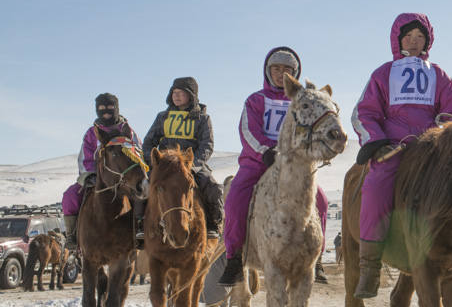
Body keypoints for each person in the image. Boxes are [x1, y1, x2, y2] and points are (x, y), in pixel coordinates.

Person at [350, 13, 452, 299]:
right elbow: (364, 112)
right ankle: (370, 265)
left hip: (431, 148)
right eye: (408, 37)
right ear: (398, 40)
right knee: (376, 186)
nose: (414, 42)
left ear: (428, 42)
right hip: (393, 147)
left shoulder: (438, 74)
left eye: (420, 37)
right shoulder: (383, 73)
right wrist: (376, 143)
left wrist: (447, 132)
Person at [218, 47, 329, 287]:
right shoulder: (255, 100)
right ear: (268, 71)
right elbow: (248, 131)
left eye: (287, 69)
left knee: (321, 200)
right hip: (259, 162)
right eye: (276, 69)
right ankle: (234, 259)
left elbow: (313, 129)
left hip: (295, 164)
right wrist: (267, 151)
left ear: (295, 73)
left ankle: (316, 258)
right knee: (236, 198)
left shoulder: (303, 101)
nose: (281, 74)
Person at [137, 77, 225, 240]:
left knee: (212, 186)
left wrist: (193, 165)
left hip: (190, 165)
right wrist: (154, 163)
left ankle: (214, 223)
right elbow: (148, 142)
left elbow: (207, 145)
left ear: (191, 95)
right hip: (164, 166)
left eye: (181, 92)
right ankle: (139, 223)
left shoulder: (203, 118)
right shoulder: (162, 116)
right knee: (142, 186)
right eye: (174, 92)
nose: (176, 95)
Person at [61, 93, 141, 251]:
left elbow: (138, 154)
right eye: (102, 108)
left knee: (143, 194)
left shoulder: (127, 131)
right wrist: (90, 175)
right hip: (97, 179)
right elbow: (85, 158)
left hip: (124, 179)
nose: (106, 112)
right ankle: (72, 235)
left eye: (110, 108)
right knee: (70, 196)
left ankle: (141, 228)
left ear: (117, 109)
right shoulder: (91, 133)